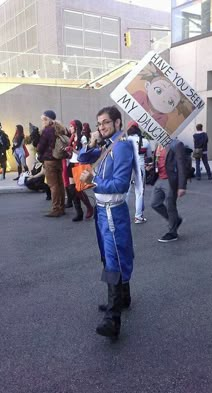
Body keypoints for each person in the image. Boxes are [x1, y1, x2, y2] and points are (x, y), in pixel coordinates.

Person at [79, 106, 135, 338]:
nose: (101, 127)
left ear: (117, 123)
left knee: (114, 259)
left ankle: (113, 319)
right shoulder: (106, 145)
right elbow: (82, 158)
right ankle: (124, 297)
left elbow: (121, 184)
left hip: (113, 210)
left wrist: (94, 179)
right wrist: (91, 144)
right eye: (99, 123)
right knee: (107, 255)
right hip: (102, 210)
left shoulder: (121, 147)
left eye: (105, 123)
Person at [151, 140, 187, 243]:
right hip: (160, 178)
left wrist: (182, 186)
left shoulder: (176, 144)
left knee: (170, 206)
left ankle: (172, 233)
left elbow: (181, 165)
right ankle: (175, 220)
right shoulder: (158, 143)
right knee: (155, 203)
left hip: (170, 179)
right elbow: (158, 160)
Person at [37, 110, 65, 217]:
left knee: (53, 186)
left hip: (49, 160)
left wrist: (39, 151)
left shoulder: (47, 130)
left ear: (48, 119)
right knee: (60, 184)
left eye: (43, 119)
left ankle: (56, 209)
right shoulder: (59, 129)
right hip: (58, 159)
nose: (42, 122)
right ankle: (61, 206)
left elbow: (40, 147)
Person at [65, 120, 94, 221]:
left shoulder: (83, 137)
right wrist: (67, 151)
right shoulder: (73, 137)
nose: (70, 128)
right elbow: (73, 153)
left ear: (76, 127)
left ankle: (89, 207)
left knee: (78, 189)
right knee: (72, 189)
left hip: (79, 164)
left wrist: (72, 150)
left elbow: (84, 152)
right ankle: (79, 212)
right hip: (72, 163)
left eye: (71, 126)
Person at [126, 121, 152, 223]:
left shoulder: (126, 140)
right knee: (139, 192)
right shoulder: (145, 141)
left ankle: (123, 214)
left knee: (126, 191)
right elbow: (149, 156)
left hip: (127, 167)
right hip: (140, 167)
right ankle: (138, 216)